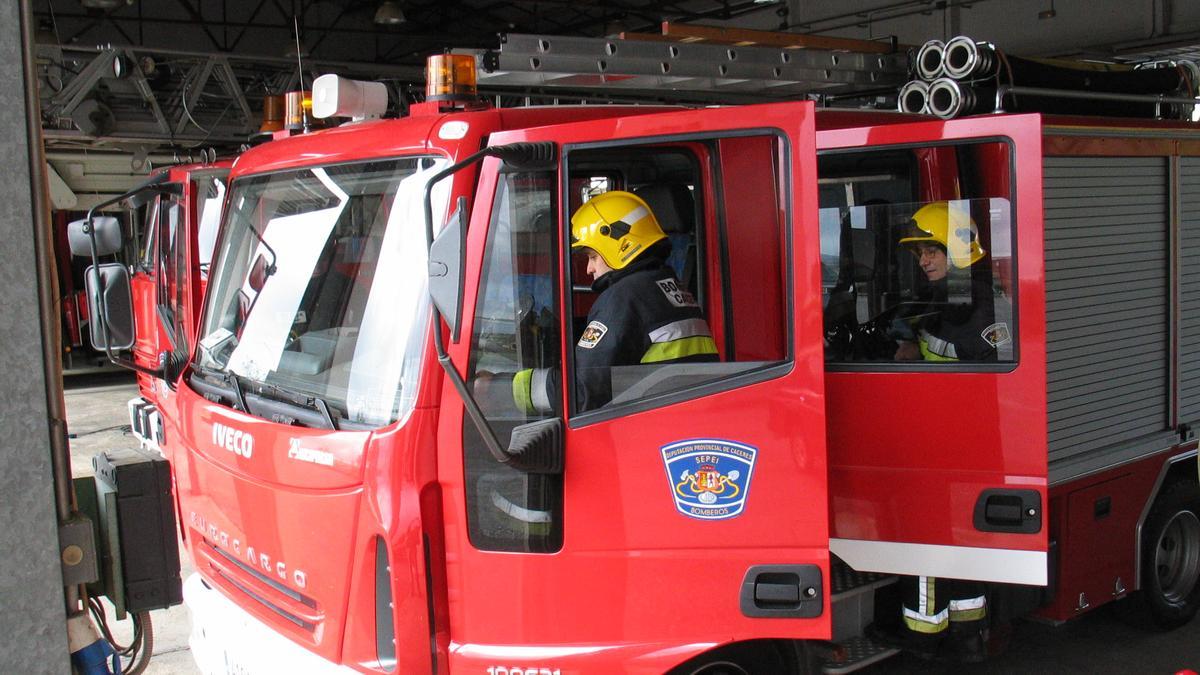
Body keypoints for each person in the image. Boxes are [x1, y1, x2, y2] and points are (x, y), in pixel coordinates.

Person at [889, 201, 1009, 662]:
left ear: (957, 248)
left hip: (953, 439)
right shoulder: (957, 291)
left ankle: (923, 638)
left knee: (926, 537)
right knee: (960, 539)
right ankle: (967, 635)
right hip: (959, 437)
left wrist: (913, 345)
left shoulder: (977, 297)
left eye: (932, 250)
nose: (924, 260)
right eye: (920, 253)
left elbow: (976, 361)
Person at [512, 190, 719, 414]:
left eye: (592, 257)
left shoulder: (625, 296)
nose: (589, 268)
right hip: (682, 416)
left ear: (620, 244)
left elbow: (582, 391)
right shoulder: (665, 285)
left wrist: (510, 388)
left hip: (651, 423)